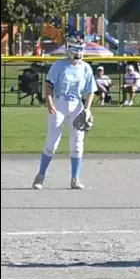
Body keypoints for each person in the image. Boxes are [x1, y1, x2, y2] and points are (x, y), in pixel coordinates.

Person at [32, 35, 96, 190]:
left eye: (81, 50)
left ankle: (75, 178)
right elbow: (48, 85)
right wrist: (49, 102)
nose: (78, 53)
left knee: (77, 144)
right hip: (59, 104)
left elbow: (90, 91)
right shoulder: (59, 65)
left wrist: (87, 109)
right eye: (76, 50)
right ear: (69, 50)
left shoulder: (86, 68)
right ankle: (40, 175)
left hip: (77, 106)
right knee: (52, 143)